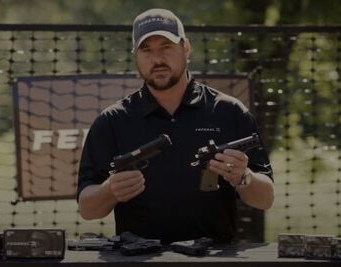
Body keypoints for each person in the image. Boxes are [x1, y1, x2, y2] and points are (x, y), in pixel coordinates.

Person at [77, 8, 274, 244]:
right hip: (138, 257)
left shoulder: (229, 111)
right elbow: (87, 210)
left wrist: (244, 177)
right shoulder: (112, 120)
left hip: (213, 257)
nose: (157, 59)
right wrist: (110, 190)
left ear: (186, 47)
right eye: (146, 50)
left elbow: (266, 199)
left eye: (166, 47)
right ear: (135, 56)